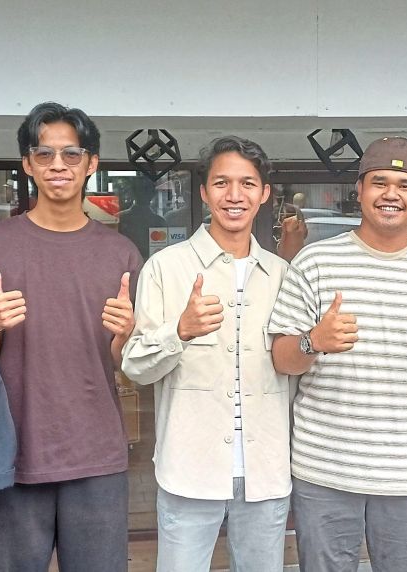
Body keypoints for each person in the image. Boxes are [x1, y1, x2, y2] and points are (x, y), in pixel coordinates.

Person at [268, 136, 407, 572]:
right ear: (358, 190)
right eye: (379, 182)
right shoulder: (314, 262)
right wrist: (313, 341)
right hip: (323, 470)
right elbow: (281, 359)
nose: (391, 194)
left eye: (405, 184)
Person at [0, 101, 141, 571]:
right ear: (27, 164)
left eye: (71, 154)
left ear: (91, 163)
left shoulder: (120, 254)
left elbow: (125, 363)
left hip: (97, 451)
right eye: (44, 154)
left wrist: (125, 336)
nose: (58, 165)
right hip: (15, 452)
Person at [122, 135, 292, 571]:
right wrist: (180, 331)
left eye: (247, 184)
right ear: (203, 192)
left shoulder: (281, 275)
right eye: (221, 183)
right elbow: (136, 365)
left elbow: (296, 364)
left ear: (264, 193)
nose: (234, 195)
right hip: (189, 467)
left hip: (265, 469)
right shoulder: (166, 267)